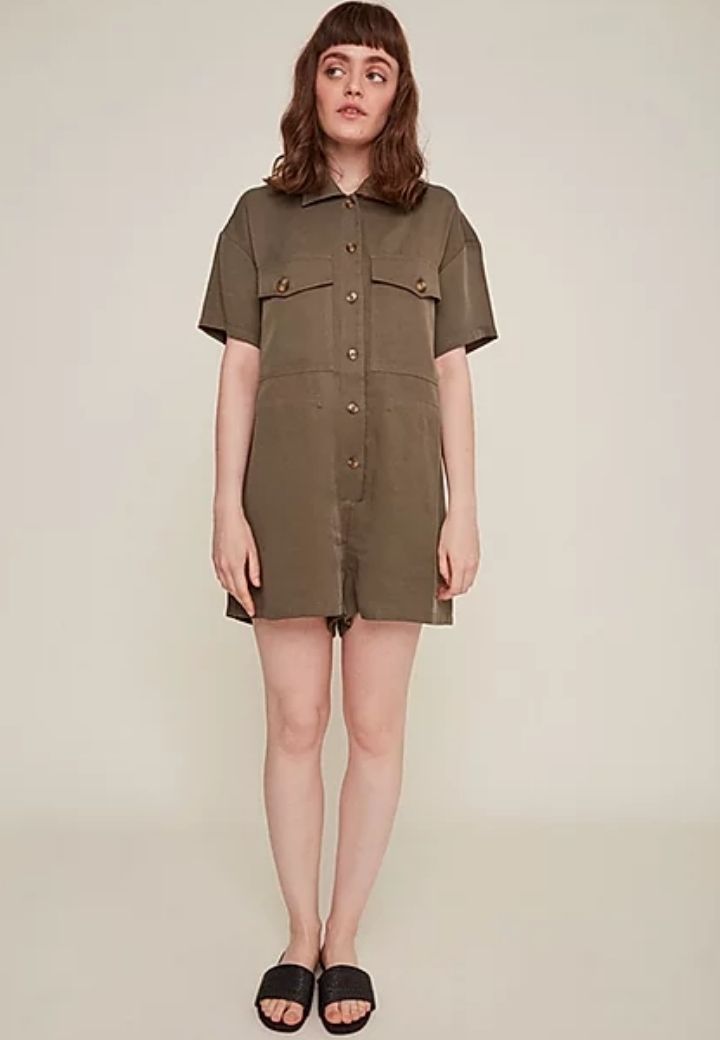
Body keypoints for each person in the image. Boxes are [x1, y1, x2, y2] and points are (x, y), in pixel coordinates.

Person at [196, 2, 498, 1032]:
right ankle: (299, 935)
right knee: (294, 722)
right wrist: (227, 508)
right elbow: (240, 368)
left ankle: (347, 937)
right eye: (337, 67)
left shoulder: (441, 219)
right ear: (311, 84)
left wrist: (463, 510)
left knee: (374, 727)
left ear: (397, 92)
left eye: (376, 69)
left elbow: (452, 373)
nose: (355, 85)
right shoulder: (256, 217)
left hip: (405, 497)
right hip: (283, 498)